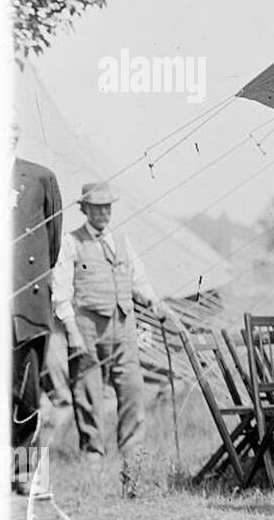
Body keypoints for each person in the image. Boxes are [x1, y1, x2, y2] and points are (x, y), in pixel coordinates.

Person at [49, 182, 165, 465]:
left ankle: (133, 452)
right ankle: (93, 453)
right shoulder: (71, 242)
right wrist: (72, 331)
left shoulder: (122, 240)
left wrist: (153, 300)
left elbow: (139, 280)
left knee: (132, 387)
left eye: (107, 207)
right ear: (85, 209)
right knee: (88, 391)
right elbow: (60, 291)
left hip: (124, 323)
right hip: (87, 325)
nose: (103, 213)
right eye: (97, 207)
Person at [11, 124, 63, 496]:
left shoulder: (40, 177)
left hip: (26, 309)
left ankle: (25, 474)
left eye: (12, 130)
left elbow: (54, 242)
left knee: (27, 395)